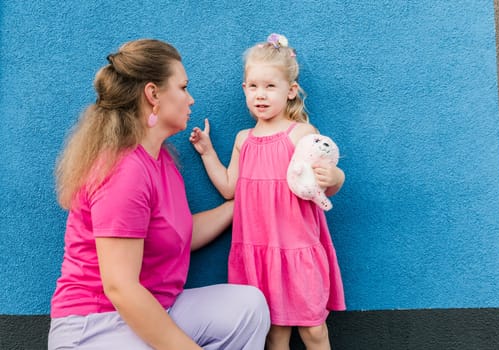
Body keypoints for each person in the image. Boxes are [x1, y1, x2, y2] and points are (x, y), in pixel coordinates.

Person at [48, 39, 270, 350]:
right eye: (183, 87)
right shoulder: (123, 171)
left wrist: (243, 202)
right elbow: (120, 288)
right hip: (96, 326)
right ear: (153, 94)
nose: (191, 99)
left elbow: (179, 234)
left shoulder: (161, 159)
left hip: (157, 307)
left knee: (248, 307)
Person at [190, 33, 346, 350]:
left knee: (314, 331)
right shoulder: (243, 139)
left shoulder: (300, 133)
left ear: (290, 92)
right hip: (257, 252)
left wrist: (334, 175)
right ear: (244, 90)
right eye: (253, 86)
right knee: (274, 334)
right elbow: (230, 188)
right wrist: (208, 153)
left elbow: (325, 183)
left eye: (270, 86)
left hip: (296, 249)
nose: (261, 95)